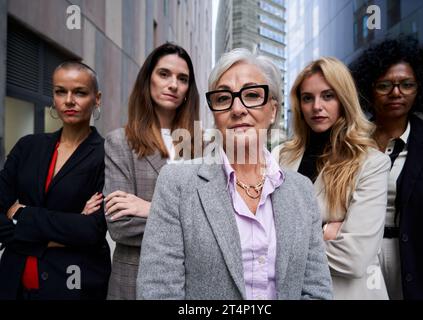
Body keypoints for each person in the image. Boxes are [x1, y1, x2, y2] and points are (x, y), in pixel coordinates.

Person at [136, 48, 333, 300]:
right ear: (215, 113)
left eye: (252, 95)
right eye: (223, 98)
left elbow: (317, 290)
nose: (237, 109)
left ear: (273, 110)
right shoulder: (177, 183)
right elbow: (157, 291)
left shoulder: (302, 190)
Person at [273, 57, 390, 299]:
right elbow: (260, 231)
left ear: (343, 99)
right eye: (308, 98)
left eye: (328, 96)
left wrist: (282, 240)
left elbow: (354, 258)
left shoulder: (371, 163)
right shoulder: (280, 156)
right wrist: (324, 230)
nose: (317, 106)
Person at [350, 36, 423, 300]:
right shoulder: (350, 144)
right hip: (359, 261)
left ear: (420, 88)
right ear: (368, 89)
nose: (396, 93)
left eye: (407, 84)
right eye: (384, 85)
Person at [0, 61, 111, 300]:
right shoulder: (27, 146)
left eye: (79, 92)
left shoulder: (106, 154)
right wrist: (68, 227)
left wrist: (21, 215)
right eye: (61, 91)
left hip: (73, 285)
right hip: (13, 281)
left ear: (97, 98)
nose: (69, 100)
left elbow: (91, 231)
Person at [103, 43, 200, 300]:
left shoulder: (203, 146)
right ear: (148, 79)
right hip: (134, 282)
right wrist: (193, 221)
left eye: (183, 79)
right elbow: (120, 226)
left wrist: (149, 208)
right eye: (164, 74)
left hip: (193, 283)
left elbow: (219, 222)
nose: (173, 85)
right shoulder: (120, 142)